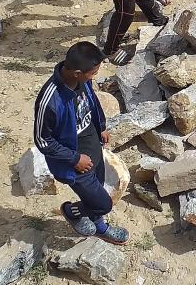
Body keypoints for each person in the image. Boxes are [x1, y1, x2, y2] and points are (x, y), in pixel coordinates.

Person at [33, 41, 129, 243]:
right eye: (93, 73)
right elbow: (43, 140)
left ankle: (99, 227)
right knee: (103, 204)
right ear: (77, 72)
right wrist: (75, 158)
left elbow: (92, 101)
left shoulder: (82, 81)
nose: (94, 77)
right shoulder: (50, 100)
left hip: (92, 145)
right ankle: (71, 211)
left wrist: (101, 125)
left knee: (98, 189)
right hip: (74, 162)